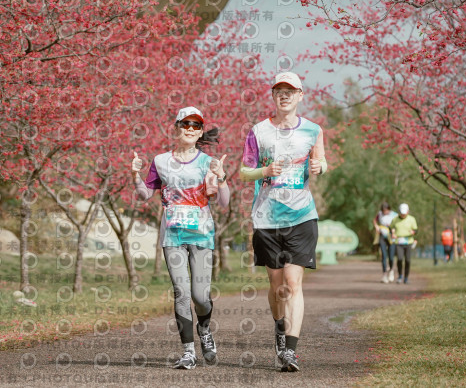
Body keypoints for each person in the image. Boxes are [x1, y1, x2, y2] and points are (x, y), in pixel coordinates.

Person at [240, 72, 327, 372]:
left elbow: (322, 161)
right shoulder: (258, 131)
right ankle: (279, 327)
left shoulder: (313, 130)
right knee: (277, 287)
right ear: (273, 95)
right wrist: (264, 172)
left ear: (301, 95)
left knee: (293, 284)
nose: (285, 95)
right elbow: (244, 172)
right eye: (279, 90)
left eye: (291, 90)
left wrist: (320, 166)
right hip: (267, 219)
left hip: (302, 216)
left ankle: (290, 351)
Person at [131, 106, 229, 370]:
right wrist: (136, 175)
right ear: (176, 128)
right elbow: (145, 195)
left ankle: (204, 329)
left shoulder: (208, 162)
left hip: (202, 235)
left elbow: (223, 202)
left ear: (200, 132)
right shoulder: (161, 161)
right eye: (185, 124)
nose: (190, 128)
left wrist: (221, 177)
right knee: (182, 293)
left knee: (200, 296)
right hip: (172, 236)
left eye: (196, 125)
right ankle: (188, 352)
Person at [390, 203, 418, 284]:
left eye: (404, 213)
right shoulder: (395, 219)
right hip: (399, 242)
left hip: (408, 242)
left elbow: (416, 230)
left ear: (408, 212)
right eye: (402, 213)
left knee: (408, 260)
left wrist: (413, 232)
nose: (403, 215)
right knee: (399, 259)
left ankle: (406, 277)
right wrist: (392, 233)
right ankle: (400, 276)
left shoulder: (412, 219)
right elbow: (391, 228)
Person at [373, 202, 398, 283]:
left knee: (391, 256)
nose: (385, 212)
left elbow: (398, 224)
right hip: (382, 236)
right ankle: (384, 275)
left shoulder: (394, 215)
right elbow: (375, 220)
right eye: (383, 211)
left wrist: (394, 230)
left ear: (389, 209)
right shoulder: (379, 214)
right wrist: (376, 226)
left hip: (391, 236)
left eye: (386, 210)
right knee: (384, 255)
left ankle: (391, 270)